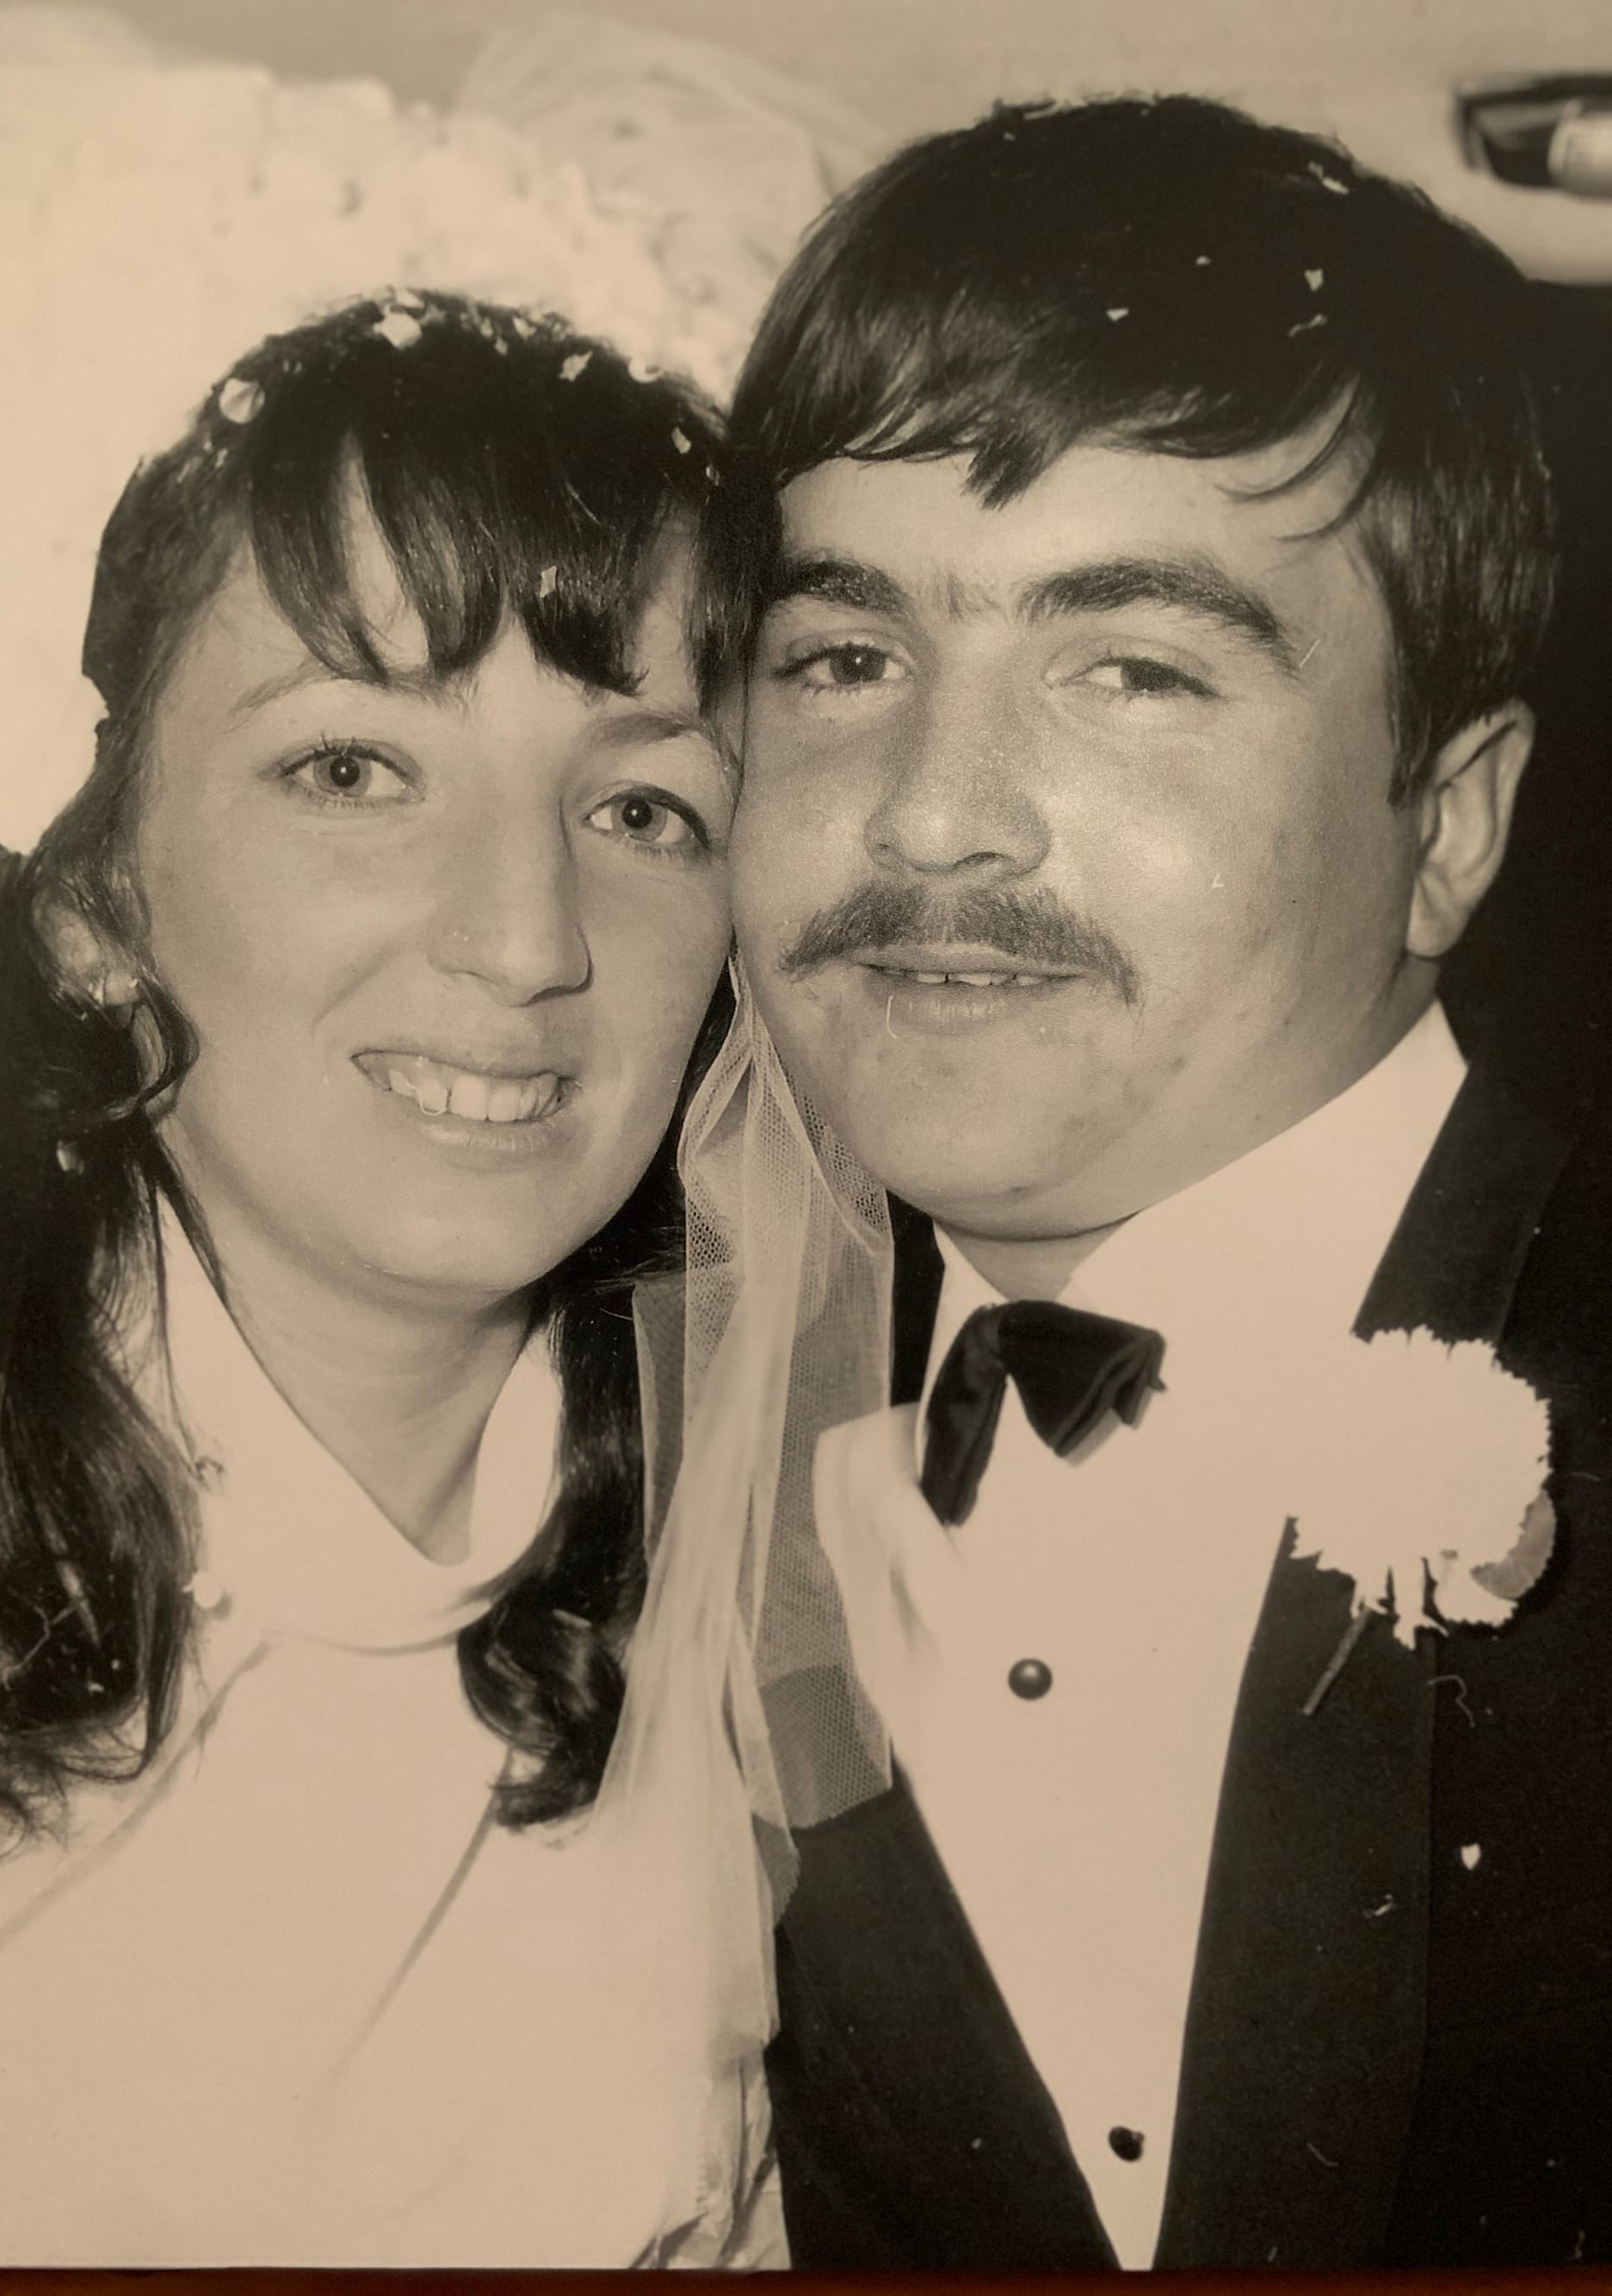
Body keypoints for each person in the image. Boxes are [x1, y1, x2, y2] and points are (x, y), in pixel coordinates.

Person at [688, 95, 1612, 2270]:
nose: (931, 815)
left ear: (1450, 821)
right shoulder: (657, 1422)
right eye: (844, 659)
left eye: (1129, 669)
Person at [0, 294, 778, 2268]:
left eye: (642, 808)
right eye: (355, 768)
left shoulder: (768, 1557)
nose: (527, 937)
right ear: (97, 895)